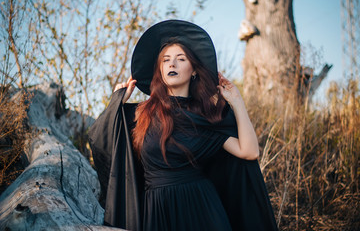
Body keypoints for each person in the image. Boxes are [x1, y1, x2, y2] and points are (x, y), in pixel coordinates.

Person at [88, 20, 278, 231]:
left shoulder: (205, 117)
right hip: (157, 211)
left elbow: (249, 152)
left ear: (194, 70)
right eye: (166, 60)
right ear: (159, 70)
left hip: (202, 210)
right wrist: (117, 102)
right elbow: (99, 138)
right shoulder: (140, 114)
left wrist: (237, 102)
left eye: (181, 59)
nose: (172, 64)